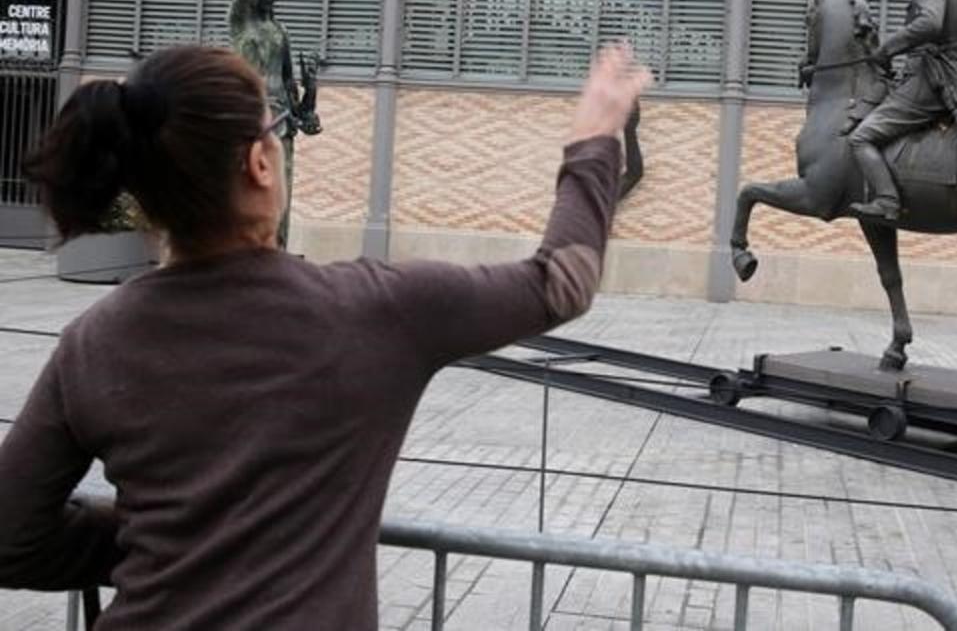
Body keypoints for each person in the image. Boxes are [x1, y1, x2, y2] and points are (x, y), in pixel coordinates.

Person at [0, 42, 649, 629]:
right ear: (259, 162)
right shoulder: (374, 310)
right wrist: (595, 136)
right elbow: (564, 278)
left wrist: (163, 542)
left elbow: (12, 538)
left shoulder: (96, 340)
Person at [847, 0, 957, 221]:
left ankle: (887, 200)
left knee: (861, 138)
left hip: (931, 81)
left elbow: (930, 23)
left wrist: (888, 48)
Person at [229, 0, 321, 247]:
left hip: (282, 120)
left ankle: (275, 252)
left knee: (282, 196)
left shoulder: (281, 32)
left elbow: (290, 84)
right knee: (248, 192)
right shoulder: (241, 25)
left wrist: (310, 93)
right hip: (251, 117)